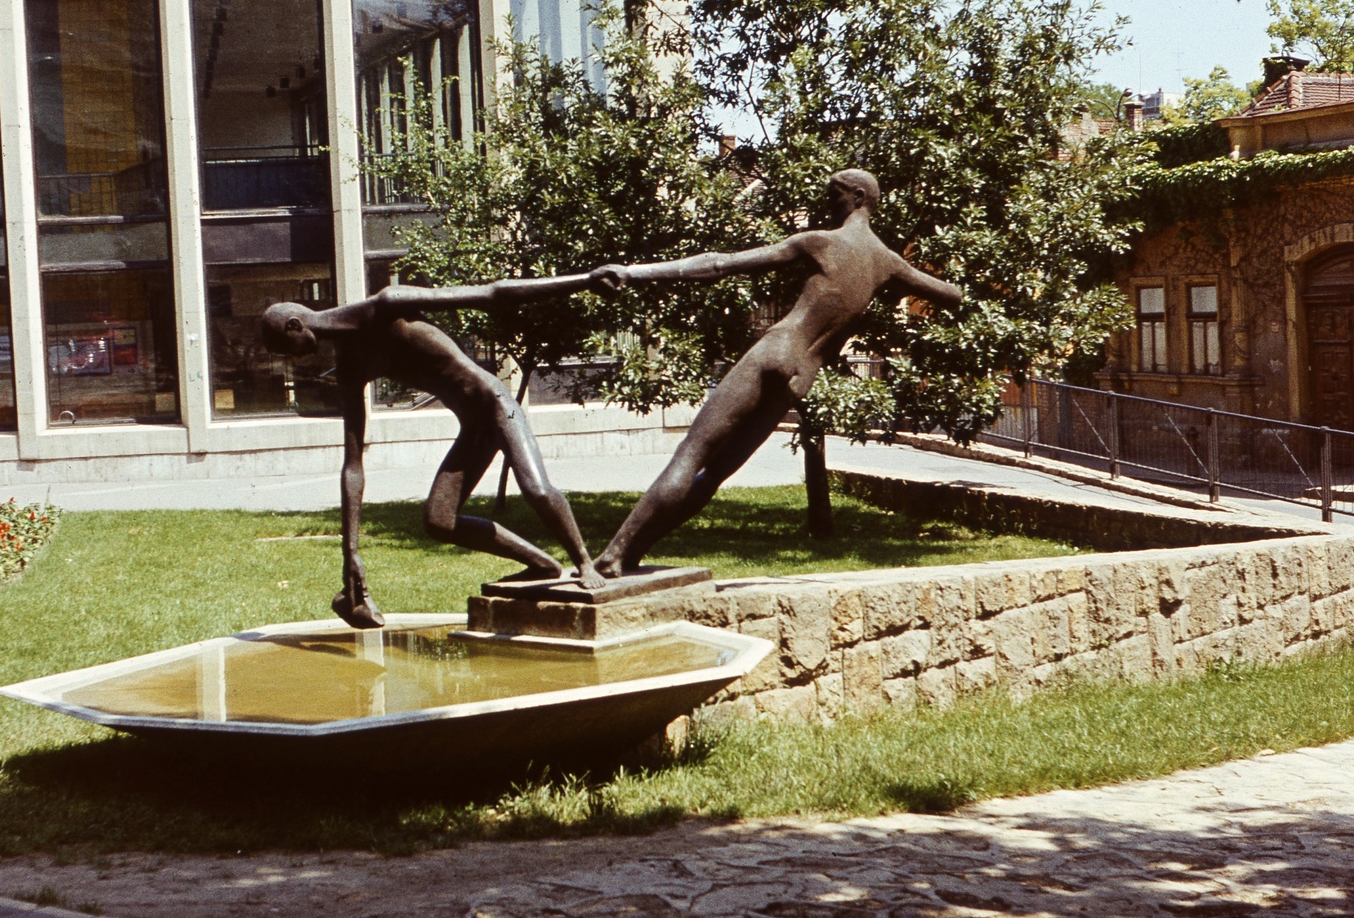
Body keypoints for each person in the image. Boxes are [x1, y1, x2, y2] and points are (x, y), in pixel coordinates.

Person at [590, 168, 964, 577]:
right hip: (800, 378)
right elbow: (951, 294)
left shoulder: (821, 242)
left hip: (777, 350)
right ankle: (629, 556)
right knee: (714, 474)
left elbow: (720, 265)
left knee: (691, 456)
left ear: (859, 197)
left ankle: (613, 556)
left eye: (834, 195)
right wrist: (957, 290)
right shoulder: (888, 262)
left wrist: (633, 272)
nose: (827, 203)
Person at [260, 275, 606, 629]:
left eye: (285, 349)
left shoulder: (388, 305)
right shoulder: (350, 367)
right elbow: (353, 465)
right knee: (439, 521)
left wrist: (585, 281)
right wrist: (351, 553)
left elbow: (492, 293)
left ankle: (584, 563)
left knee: (536, 489)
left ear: (294, 325)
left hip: (499, 405)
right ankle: (544, 565)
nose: (293, 359)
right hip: (474, 424)